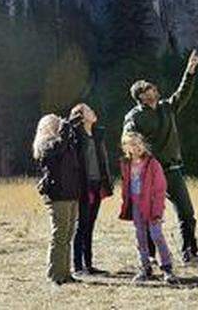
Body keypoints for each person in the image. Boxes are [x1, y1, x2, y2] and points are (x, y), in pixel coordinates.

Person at [123, 49, 198, 262]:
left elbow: (182, 92)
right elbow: (129, 141)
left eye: (154, 87)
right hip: (151, 172)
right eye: (150, 88)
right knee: (150, 215)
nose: (155, 90)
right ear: (141, 95)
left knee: (187, 213)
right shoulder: (134, 117)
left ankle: (189, 253)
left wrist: (190, 70)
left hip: (174, 170)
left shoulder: (167, 108)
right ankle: (149, 257)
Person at [33, 111, 84, 286]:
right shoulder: (45, 144)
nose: (59, 124)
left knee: (68, 234)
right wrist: (66, 127)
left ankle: (65, 273)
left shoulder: (64, 142)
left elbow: (73, 151)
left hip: (71, 193)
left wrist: (73, 128)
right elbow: (58, 147)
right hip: (58, 195)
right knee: (59, 234)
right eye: (55, 123)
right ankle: (55, 274)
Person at [119, 131, 176, 283]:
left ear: (143, 145)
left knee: (156, 235)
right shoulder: (126, 164)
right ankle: (145, 267)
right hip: (136, 205)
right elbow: (126, 185)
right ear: (126, 148)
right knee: (140, 237)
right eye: (132, 144)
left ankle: (167, 268)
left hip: (151, 205)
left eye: (138, 143)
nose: (136, 147)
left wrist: (157, 209)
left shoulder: (152, 164)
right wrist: (126, 202)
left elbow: (160, 188)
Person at [70, 103, 113, 275]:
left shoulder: (96, 135)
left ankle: (89, 265)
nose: (93, 111)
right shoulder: (75, 136)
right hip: (83, 186)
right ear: (81, 116)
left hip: (97, 185)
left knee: (90, 225)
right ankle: (78, 267)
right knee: (81, 226)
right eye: (88, 110)